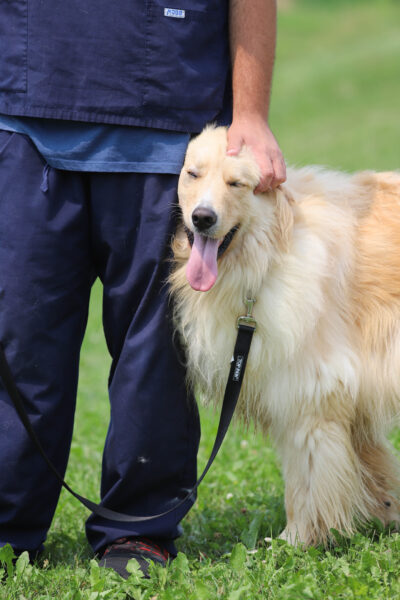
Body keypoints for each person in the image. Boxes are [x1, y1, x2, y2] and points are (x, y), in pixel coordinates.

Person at [0, 0, 285, 579]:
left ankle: (137, 530)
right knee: (19, 343)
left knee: (156, 353)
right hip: (24, 112)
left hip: (165, 118)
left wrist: (250, 111)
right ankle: (9, 528)